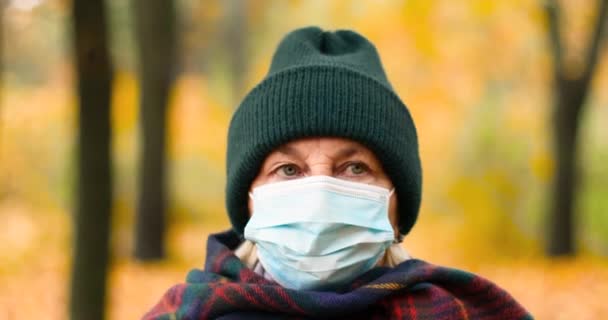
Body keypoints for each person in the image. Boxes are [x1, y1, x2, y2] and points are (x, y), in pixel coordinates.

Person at [144, 26, 532, 319]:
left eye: (355, 167)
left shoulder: (459, 312)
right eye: (289, 169)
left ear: (398, 207)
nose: (319, 194)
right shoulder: (186, 313)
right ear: (247, 202)